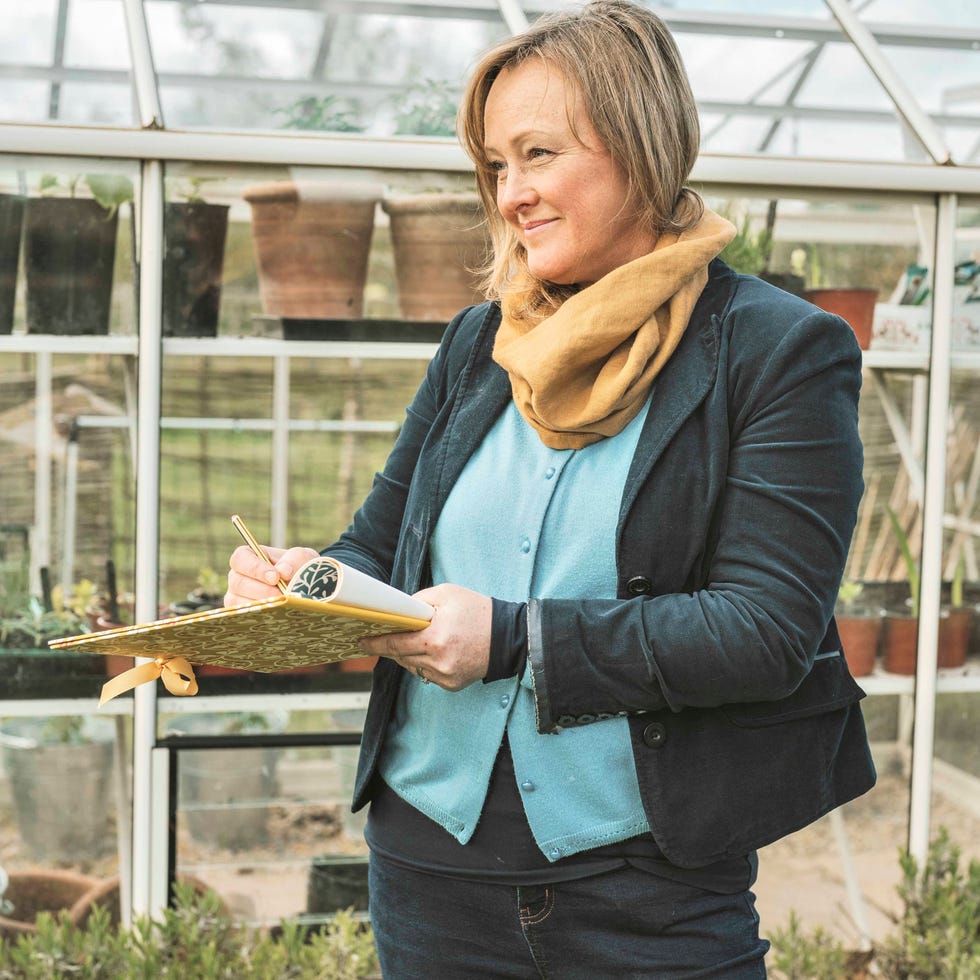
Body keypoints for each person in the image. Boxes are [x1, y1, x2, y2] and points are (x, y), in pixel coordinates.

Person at [226, 2, 876, 976]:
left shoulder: (775, 350)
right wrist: (310, 580)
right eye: (494, 165)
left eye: (537, 154)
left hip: (642, 893)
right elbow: (382, 542)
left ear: (638, 146)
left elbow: (765, 628)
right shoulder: (479, 344)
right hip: (426, 872)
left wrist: (511, 639)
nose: (510, 192)